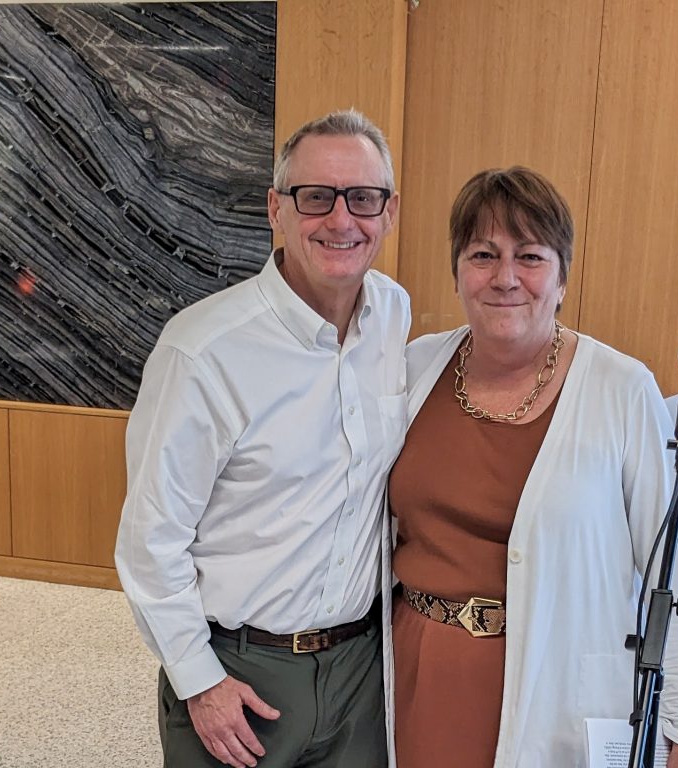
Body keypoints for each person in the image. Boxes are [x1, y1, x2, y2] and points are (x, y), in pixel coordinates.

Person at [388, 167, 678, 768]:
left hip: (556, 686)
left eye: (530, 256)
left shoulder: (621, 387)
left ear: (562, 276)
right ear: (457, 270)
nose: (505, 277)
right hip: (416, 677)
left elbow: (675, 571)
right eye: (483, 254)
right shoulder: (413, 369)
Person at [115, 109, 409, 768]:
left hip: (361, 669)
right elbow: (149, 541)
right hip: (242, 672)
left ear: (389, 213)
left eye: (363, 198)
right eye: (315, 197)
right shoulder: (203, 352)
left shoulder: (393, 314)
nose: (341, 220)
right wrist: (199, 680)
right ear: (276, 209)